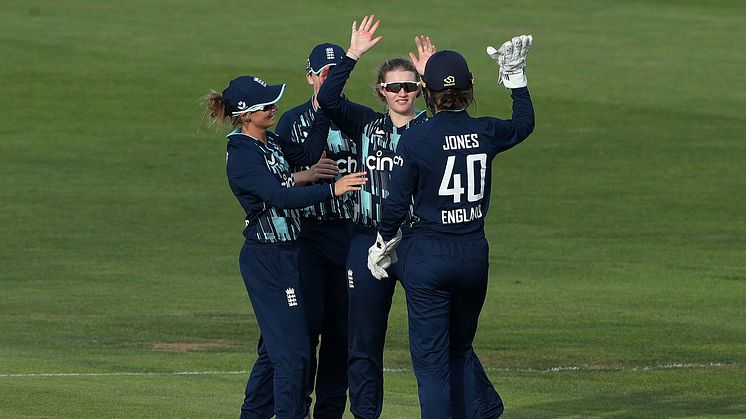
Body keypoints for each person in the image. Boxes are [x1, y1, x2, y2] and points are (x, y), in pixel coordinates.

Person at [369, 36, 535, 418]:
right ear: (470, 90)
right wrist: (516, 80)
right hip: (474, 254)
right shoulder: (486, 131)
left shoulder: (415, 137)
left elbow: (395, 201)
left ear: (425, 92)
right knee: (459, 348)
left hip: (429, 254)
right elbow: (524, 124)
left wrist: (382, 240)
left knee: (431, 365)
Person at [203, 75, 367, 419]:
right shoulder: (242, 154)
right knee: (293, 355)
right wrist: (331, 190)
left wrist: (322, 109)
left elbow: (307, 154)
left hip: (288, 254)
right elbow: (280, 196)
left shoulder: (269, 141)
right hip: (268, 258)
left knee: (274, 351)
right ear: (245, 114)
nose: (274, 107)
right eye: (266, 104)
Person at [315, 15, 429, 419]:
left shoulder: (433, 130)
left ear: (419, 90)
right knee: (363, 342)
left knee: (430, 343)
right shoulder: (366, 125)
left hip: (418, 242)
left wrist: (433, 77)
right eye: (394, 86)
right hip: (366, 242)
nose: (402, 92)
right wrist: (352, 55)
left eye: (410, 86)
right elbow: (327, 99)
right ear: (381, 91)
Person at [243, 43, 357, 419]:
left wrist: (304, 174)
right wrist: (324, 185)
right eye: (323, 73)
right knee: (296, 341)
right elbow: (277, 190)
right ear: (310, 77)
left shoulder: (361, 118)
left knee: (338, 336)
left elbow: (300, 161)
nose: (328, 79)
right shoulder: (278, 129)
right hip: (300, 241)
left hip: (346, 236)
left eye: (335, 72)